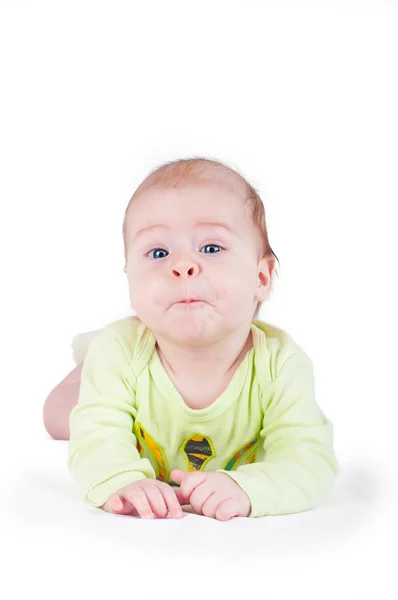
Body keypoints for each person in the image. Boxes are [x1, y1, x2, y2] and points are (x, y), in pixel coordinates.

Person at [43, 156, 339, 521]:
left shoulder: (281, 366)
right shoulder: (118, 353)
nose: (181, 266)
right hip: (119, 366)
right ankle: (87, 364)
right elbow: (95, 442)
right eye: (158, 252)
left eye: (211, 248)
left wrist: (250, 488)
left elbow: (308, 459)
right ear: (129, 277)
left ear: (261, 278)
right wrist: (119, 480)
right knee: (60, 417)